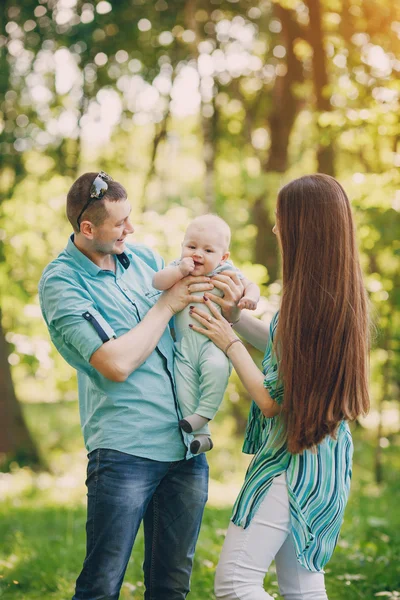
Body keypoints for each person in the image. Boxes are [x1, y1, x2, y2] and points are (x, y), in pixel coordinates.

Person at [38, 171, 242, 600]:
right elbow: (114, 363)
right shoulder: (62, 283)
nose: (130, 230)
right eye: (120, 224)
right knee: (102, 583)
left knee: (171, 585)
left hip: (185, 449)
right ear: (87, 228)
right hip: (125, 451)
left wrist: (233, 297)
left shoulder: (145, 259)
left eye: (130, 218)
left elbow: (196, 318)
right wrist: (167, 305)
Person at [189, 174, 370, 600]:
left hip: (293, 462)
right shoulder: (332, 295)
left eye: (279, 220)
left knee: (235, 583)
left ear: (302, 228)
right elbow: (282, 345)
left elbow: (272, 403)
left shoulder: (309, 305)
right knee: (302, 588)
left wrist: (227, 341)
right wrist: (234, 318)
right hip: (325, 459)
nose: (274, 229)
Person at [152, 214, 260, 455]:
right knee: (183, 387)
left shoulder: (225, 271)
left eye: (207, 250)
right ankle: (201, 436)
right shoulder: (177, 270)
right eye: (191, 247)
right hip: (184, 347)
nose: (197, 254)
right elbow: (158, 282)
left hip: (213, 343)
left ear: (223, 257)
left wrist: (250, 298)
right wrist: (179, 271)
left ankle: (204, 414)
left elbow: (250, 285)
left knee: (216, 370)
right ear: (182, 247)